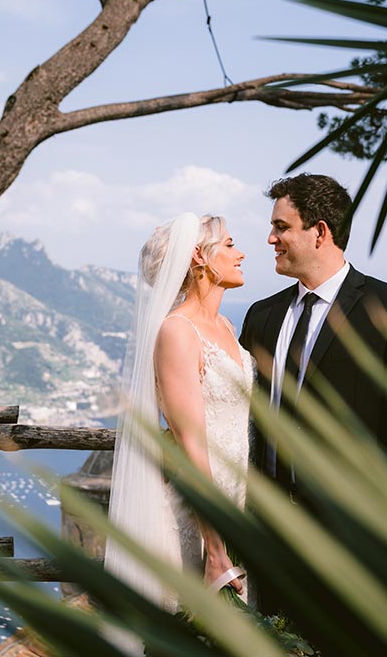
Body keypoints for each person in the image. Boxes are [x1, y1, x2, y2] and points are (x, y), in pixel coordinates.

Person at [240, 173, 387, 504]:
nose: (270, 239)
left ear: (319, 232)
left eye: (281, 227)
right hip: (268, 527)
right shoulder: (261, 316)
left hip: (351, 530)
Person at [104, 213, 253, 635]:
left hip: (234, 505)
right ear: (198, 258)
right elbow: (191, 443)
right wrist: (216, 550)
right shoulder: (176, 331)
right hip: (196, 519)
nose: (241, 253)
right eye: (229, 244)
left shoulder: (224, 325)